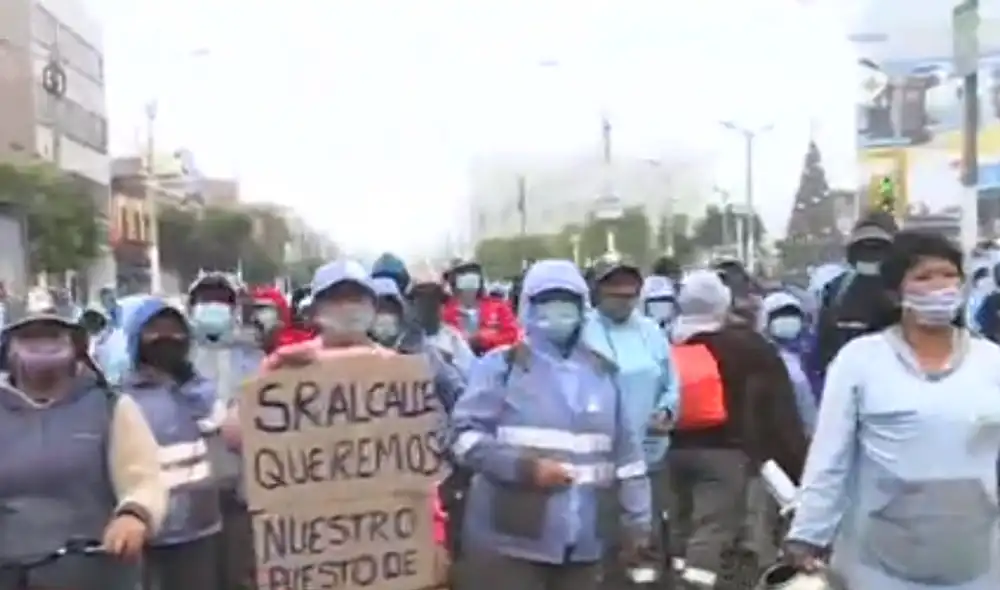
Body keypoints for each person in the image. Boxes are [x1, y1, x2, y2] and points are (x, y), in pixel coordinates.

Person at [785, 230, 1000, 590]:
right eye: (923, 277)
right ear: (896, 290)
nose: (939, 287)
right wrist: (808, 532)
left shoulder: (991, 361)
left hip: (975, 560)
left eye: (949, 275)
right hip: (878, 563)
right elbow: (830, 457)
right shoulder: (860, 361)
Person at [449, 259, 653, 590]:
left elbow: (628, 458)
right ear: (528, 307)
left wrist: (638, 521)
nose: (556, 313)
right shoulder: (501, 368)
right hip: (511, 540)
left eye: (566, 303)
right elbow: (462, 438)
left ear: (582, 308)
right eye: (545, 303)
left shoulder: (602, 373)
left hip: (585, 543)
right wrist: (524, 469)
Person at [0, 306, 167, 590]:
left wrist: (133, 515)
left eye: (53, 337)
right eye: (29, 338)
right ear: (8, 349)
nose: (42, 348)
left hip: (94, 570)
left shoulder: (111, 406)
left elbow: (144, 479)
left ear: (75, 348)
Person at [668, 270, 808, 588]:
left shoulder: (666, 343)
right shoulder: (748, 346)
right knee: (716, 531)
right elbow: (779, 414)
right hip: (730, 453)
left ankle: (674, 579)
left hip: (672, 450)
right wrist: (798, 469)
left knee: (681, 529)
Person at [119, 297, 223, 590]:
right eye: (155, 330)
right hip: (148, 531)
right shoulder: (121, 398)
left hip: (200, 528)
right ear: (137, 340)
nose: (167, 338)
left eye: (174, 330)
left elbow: (222, 429)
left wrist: (190, 387)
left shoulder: (201, 391)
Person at [582, 256, 679, 568]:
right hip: (602, 461)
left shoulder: (651, 331)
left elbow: (671, 381)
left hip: (650, 454)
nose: (624, 298)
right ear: (598, 292)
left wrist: (666, 410)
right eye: (615, 290)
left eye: (630, 292)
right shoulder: (584, 332)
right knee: (605, 541)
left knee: (649, 538)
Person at [809, 211, 899, 381]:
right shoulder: (836, 290)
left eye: (878, 247)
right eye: (864, 245)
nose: (871, 252)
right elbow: (822, 348)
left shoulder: (908, 288)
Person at [760, 291, 818, 435]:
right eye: (778, 316)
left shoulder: (815, 352)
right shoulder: (761, 357)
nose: (786, 320)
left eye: (791, 314)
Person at [406, 266, 475, 376]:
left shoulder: (454, 340)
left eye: (432, 301)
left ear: (442, 305)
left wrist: (446, 366)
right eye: (422, 301)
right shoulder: (403, 340)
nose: (427, 306)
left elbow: (470, 375)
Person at [443, 259, 519, 355]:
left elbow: (513, 334)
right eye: (463, 279)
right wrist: (465, 342)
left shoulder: (498, 307)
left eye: (473, 279)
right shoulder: (445, 314)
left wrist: (485, 339)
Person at [248, 285, 310, 353]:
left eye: (262, 309)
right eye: (255, 309)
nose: (253, 318)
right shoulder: (276, 349)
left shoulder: (295, 349)